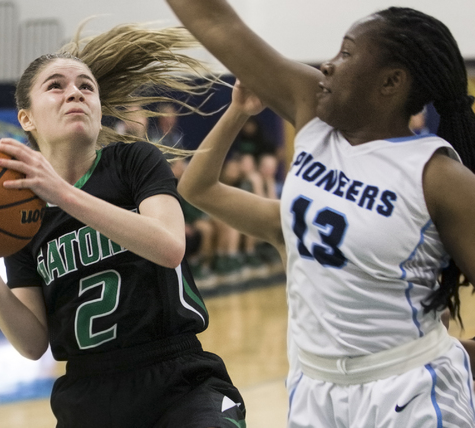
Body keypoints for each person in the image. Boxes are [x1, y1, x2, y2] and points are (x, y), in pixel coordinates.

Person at [169, 1, 475, 426]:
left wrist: (456, 351)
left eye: (347, 53)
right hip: (313, 384)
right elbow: (215, 20)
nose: (328, 65)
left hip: (406, 388)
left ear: (391, 82)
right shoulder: (312, 110)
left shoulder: (438, 176)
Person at [0, 24, 246, 428]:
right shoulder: (19, 210)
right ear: (25, 118)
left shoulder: (133, 161)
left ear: (100, 110)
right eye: (56, 86)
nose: (75, 92)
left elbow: (170, 247)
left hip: (178, 377)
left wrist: (63, 194)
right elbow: (31, 343)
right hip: (88, 393)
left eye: (86, 86)